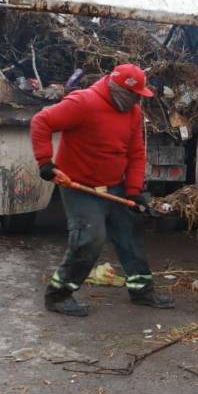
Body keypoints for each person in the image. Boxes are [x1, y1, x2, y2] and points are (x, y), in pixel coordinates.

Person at [30, 63, 175, 317]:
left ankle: (142, 290)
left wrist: (133, 191)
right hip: (79, 186)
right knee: (90, 238)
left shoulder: (133, 113)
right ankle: (58, 295)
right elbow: (41, 121)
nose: (137, 101)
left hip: (114, 185)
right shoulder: (83, 103)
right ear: (119, 89)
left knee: (130, 234)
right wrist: (46, 164)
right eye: (134, 95)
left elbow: (136, 153)